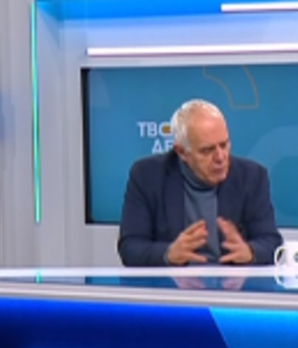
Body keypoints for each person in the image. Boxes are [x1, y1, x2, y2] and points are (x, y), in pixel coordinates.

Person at [117, 99, 283, 267]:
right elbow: (130, 247)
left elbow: (271, 242)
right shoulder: (148, 176)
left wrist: (249, 252)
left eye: (224, 145)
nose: (220, 157)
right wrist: (168, 254)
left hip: (231, 281)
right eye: (207, 150)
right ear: (182, 152)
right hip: (173, 281)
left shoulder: (251, 177)